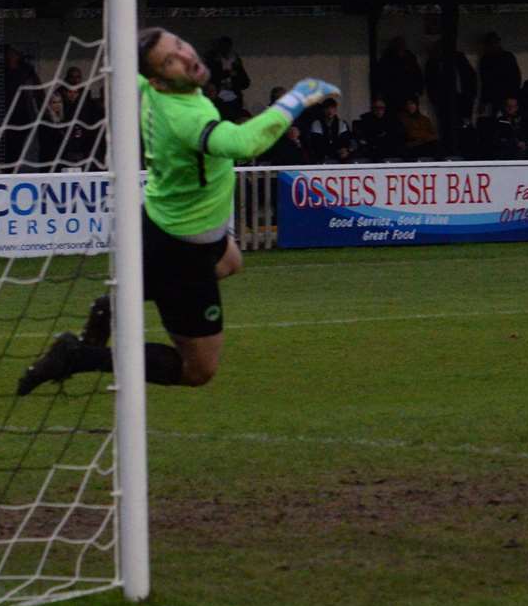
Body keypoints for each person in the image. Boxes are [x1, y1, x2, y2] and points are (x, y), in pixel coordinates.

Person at [17, 28, 338, 395]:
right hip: (183, 250)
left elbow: (127, 68)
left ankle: (117, 303)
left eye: (181, 44)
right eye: (171, 59)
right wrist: (299, 96)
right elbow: (244, 142)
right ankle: (78, 356)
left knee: (232, 261)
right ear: (158, 79)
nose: (187, 56)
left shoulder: (148, 87)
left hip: (160, 219)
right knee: (198, 369)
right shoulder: (185, 118)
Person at [477, 31, 521, 118]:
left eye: (494, 43)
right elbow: (485, 81)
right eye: (490, 43)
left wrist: (512, 97)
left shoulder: (505, 57)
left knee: (505, 120)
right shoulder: (486, 59)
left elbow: (515, 77)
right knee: (498, 120)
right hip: (497, 97)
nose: (492, 46)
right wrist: (484, 101)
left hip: (505, 96)